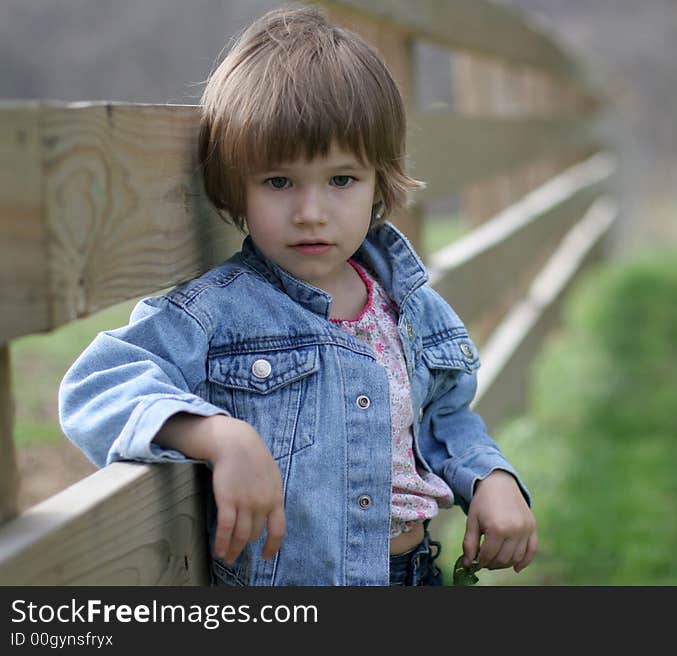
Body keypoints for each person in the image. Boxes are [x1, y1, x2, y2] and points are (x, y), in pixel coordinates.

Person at [58, 6, 536, 586]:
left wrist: (493, 478)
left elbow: (443, 417)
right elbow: (97, 384)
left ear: (379, 181)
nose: (311, 213)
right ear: (238, 184)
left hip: (413, 572)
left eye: (341, 180)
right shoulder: (219, 312)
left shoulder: (406, 306)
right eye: (279, 182)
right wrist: (217, 434)